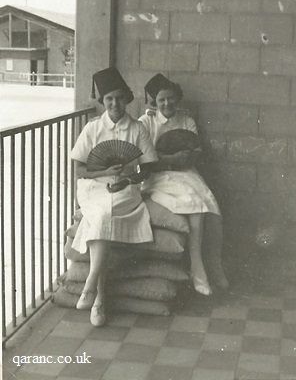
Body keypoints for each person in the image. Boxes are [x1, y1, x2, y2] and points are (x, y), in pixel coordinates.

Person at [70, 67, 157, 326]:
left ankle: (93, 290)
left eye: (119, 97)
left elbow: (149, 169)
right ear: (103, 102)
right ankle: (97, 296)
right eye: (109, 99)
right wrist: (105, 171)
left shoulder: (138, 129)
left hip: (126, 189)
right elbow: (79, 169)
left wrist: (129, 179)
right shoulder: (93, 128)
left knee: (103, 216)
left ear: (127, 98)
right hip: (94, 186)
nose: (115, 103)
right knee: (102, 212)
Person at [139, 73, 228, 296]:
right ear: (154, 102)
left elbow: (193, 153)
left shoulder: (186, 120)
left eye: (170, 98)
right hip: (158, 177)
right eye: (161, 100)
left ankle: (214, 266)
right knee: (195, 205)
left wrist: (181, 159)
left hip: (186, 173)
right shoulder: (146, 122)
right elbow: (144, 158)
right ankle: (198, 269)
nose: (166, 103)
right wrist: (169, 159)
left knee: (210, 204)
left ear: (176, 98)